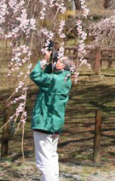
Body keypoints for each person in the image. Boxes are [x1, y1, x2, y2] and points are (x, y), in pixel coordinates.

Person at [30, 49, 75, 181]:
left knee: (43, 159)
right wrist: (51, 65)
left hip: (44, 122)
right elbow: (49, 79)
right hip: (55, 124)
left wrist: (44, 60)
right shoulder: (65, 80)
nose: (56, 63)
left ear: (62, 66)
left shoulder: (55, 80)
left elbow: (36, 75)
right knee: (52, 156)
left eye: (58, 62)